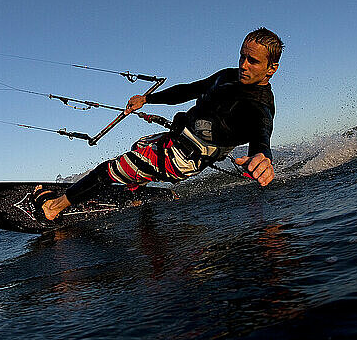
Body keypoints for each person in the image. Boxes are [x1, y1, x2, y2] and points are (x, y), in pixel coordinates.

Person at [33, 27, 283, 223]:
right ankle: (134, 191)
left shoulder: (259, 106)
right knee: (140, 144)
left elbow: (262, 131)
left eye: (253, 61)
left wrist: (262, 154)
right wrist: (148, 99)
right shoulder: (228, 76)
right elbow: (189, 90)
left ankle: (53, 208)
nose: (243, 65)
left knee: (105, 171)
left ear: (271, 68)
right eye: (242, 56)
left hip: (182, 158)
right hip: (173, 141)